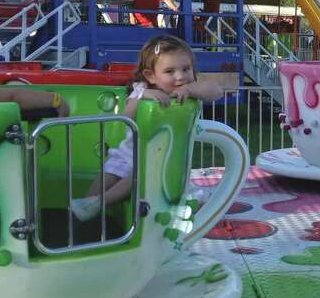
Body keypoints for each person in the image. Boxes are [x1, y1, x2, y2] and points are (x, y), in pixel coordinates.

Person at [72, 36, 224, 221]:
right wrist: (143, 95)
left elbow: (217, 91)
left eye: (186, 69)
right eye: (170, 71)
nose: (180, 76)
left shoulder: (191, 88)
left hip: (160, 160)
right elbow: (126, 116)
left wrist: (191, 91)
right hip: (127, 154)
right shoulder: (142, 89)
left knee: (141, 175)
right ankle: (84, 208)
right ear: (151, 75)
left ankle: (99, 203)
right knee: (101, 181)